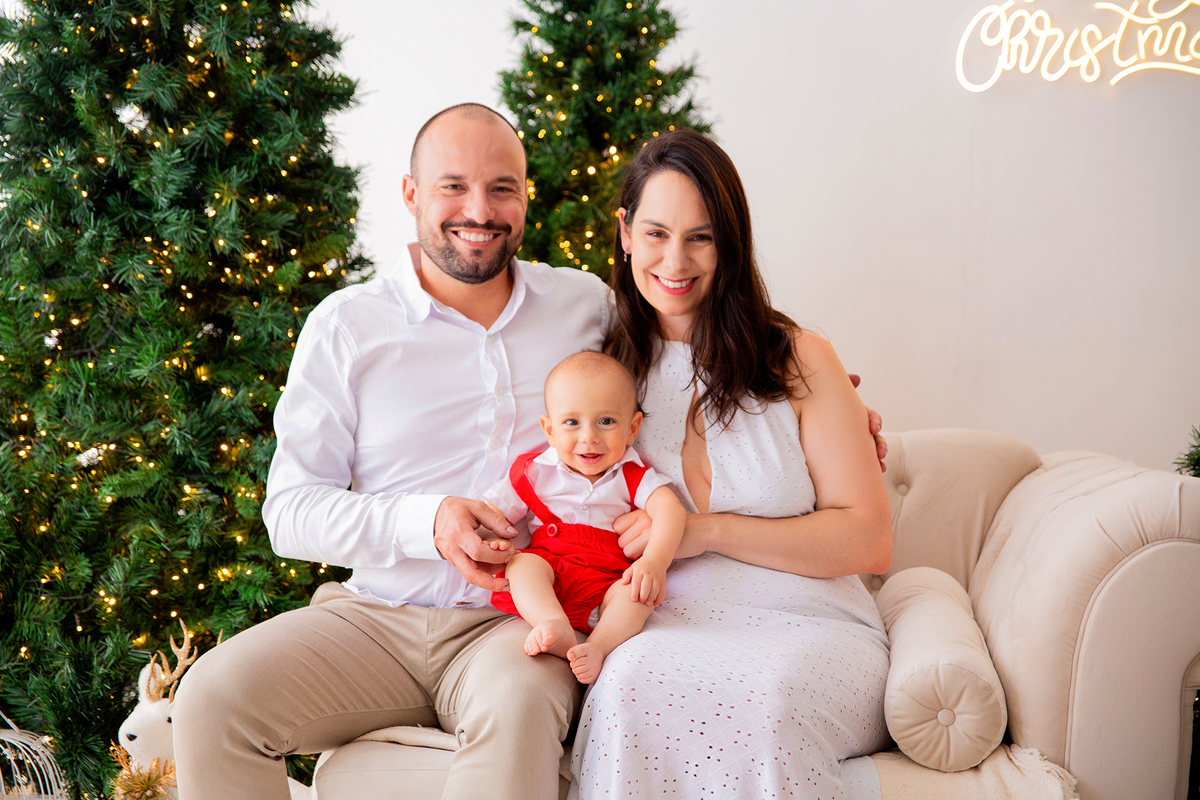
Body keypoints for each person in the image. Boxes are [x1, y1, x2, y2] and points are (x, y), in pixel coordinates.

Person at [170, 102, 885, 800]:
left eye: (501, 188)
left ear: (524, 199)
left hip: (523, 618)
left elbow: (703, 352)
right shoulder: (347, 327)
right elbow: (290, 512)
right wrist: (429, 521)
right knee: (209, 700)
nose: (478, 209)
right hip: (377, 613)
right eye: (453, 186)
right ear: (411, 194)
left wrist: (839, 415)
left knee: (519, 715)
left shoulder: (588, 311)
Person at [569, 130, 893, 799]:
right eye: (656, 233)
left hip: (812, 626)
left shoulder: (800, 359)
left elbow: (870, 538)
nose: (676, 260)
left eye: (702, 237)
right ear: (625, 232)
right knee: (629, 687)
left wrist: (704, 531)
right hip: (668, 626)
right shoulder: (604, 374)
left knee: (768, 702)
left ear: (731, 242)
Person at [485, 351, 686, 684]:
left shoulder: (631, 474)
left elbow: (670, 510)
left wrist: (654, 563)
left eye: (606, 422)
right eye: (572, 422)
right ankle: (553, 624)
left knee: (638, 596)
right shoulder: (534, 472)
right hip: (553, 573)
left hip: (610, 581)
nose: (589, 437)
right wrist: (491, 539)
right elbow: (493, 513)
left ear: (633, 428)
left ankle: (598, 645)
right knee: (521, 565)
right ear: (549, 430)